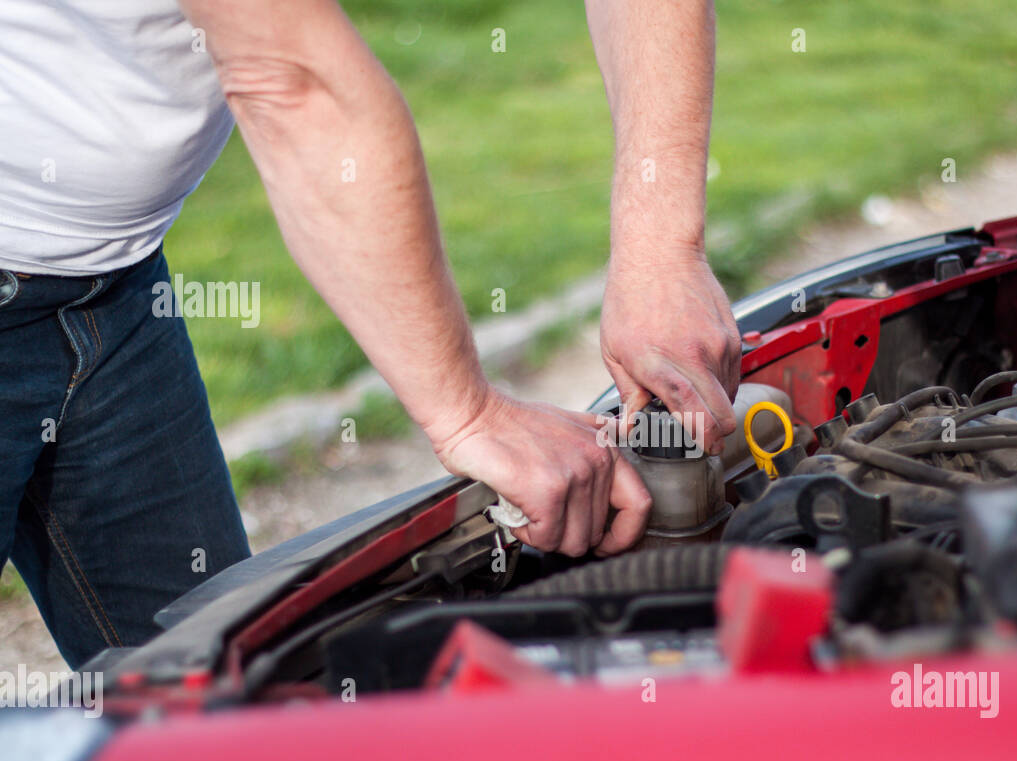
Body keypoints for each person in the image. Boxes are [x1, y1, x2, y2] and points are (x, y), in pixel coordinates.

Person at [0, 0, 741, 668]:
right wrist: (468, 414)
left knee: (224, 709)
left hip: (114, 286)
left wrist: (661, 250)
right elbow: (293, 84)